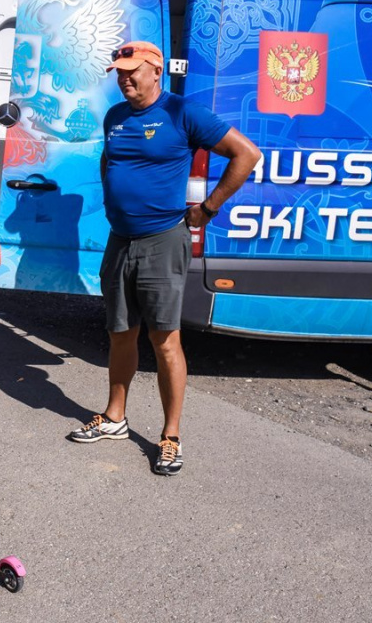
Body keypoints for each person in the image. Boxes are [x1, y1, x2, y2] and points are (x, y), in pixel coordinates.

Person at [68, 41, 261, 475]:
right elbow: (109, 160)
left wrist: (208, 208)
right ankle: (116, 417)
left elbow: (246, 154)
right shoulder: (115, 117)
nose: (124, 78)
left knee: (164, 340)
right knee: (120, 332)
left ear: (157, 71)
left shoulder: (182, 112)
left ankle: (170, 435)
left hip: (162, 241)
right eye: (119, 71)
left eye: (133, 70)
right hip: (121, 241)